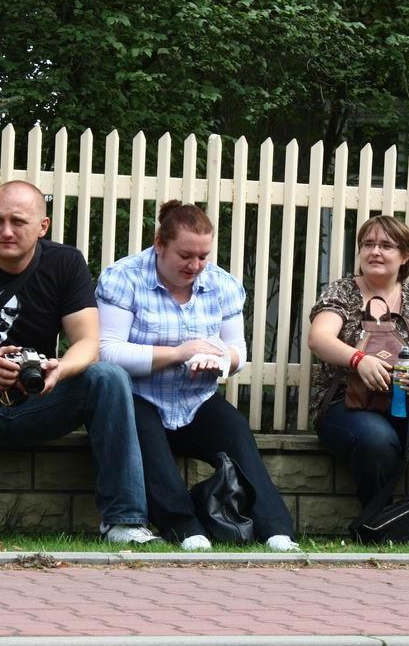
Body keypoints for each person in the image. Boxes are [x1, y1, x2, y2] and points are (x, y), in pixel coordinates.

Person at [0, 180, 158, 546]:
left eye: (18, 221)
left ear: (42, 226)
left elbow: (88, 342)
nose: (6, 231)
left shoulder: (65, 263)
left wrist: (60, 369)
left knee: (109, 376)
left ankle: (123, 522)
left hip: (40, 402)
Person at [96, 202, 299, 552]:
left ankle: (277, 530)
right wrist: (179, 353)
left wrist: (218, 360)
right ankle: (185, 528)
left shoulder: (222, 285)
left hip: (195, 399)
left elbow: (238, 352)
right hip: (140, 397)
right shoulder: (123, 278)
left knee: (235, 429)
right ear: (159, 244)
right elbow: (107, 352)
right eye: (186, 255)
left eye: (203, 256)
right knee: (143, 431)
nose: (195, 265)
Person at [308, 215, 409, 545]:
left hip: (407, 396)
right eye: (368, 244)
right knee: (377, 438)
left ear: (405, 255)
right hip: (345, 402)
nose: (375, 251)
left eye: (386, 246)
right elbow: (319, 338)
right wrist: (358, 360)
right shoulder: (342, 291)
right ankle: (381, 525)